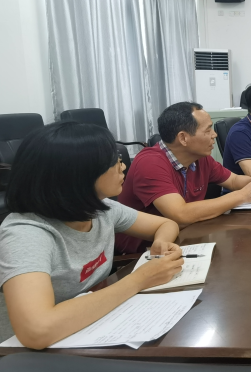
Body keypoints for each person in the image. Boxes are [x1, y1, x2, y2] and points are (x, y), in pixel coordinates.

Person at [0, 122, 184, 349]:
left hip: (97, 326)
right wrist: (140, 279)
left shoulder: (100, 209)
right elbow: (36, 331)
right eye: (113, 161)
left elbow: (165, 224)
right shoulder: (26, 233)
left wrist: (161, 242)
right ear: (79, 174)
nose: (123, 166)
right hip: (43, 351)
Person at [118, 102, 251, 235]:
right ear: (183, 138)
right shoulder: (150, 163)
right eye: (208, 130)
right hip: (146, 251)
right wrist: (244, 195)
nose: (214, 135)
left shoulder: (200, 158)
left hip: (190, 235)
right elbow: (181, 214)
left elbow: (234, 180)